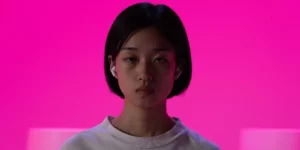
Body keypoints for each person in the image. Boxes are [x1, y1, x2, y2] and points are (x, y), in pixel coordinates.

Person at [61, 2, 220, 150]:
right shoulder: (80, 147)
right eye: (131, 59)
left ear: (178, 67)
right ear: (113, 65)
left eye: (159, 60)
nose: (145, 74)